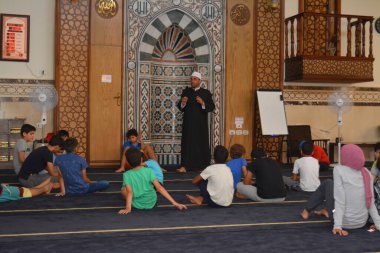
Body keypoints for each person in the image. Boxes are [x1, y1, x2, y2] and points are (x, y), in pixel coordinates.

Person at [300, 144, 380, 237]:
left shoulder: (339, 170)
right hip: (362, 222)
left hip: (343, 221)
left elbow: (340, 200)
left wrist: (337, 226)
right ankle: (325, 210)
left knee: (328, 183)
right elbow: (370, 202)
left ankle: (307, 209)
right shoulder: (366, 172)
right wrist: (378, 224)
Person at [118, 148, 187, 214]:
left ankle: (132, 202)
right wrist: (174, 202)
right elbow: (159, 188)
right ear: (141, 159)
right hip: (151, 202)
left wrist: (128, 208)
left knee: (123, 189)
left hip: (137, 204)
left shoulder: (126, 174)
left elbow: (130, 192)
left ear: (127, 162)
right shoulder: (149, 171)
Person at [176, 71, 215, 173]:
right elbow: (180, 107)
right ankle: (185, 166)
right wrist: (183, 103)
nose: (192, 81)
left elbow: (211, 107)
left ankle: (202, 166)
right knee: (187, 144)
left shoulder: (206, 93)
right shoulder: (186, 92)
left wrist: (203, 103)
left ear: (199, 81)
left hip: (200, 125)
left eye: (194, 79)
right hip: (188, 125)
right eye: (191, 79)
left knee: (200, 144)